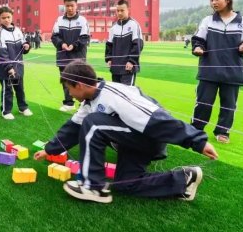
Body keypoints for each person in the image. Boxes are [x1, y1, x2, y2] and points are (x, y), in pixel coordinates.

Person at [34, 60, 218, 204]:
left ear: (80, 85)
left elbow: (155, 118)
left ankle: (94, 188)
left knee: (93, 124)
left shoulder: (114, 95)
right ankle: (184, 180)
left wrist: (198, 141)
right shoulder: (89, 102)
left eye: (68, 88)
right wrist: (50, 150)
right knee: (126, 184)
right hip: (133, 142)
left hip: (149, 136)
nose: (69, 94)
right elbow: (73, 127)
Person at [191, 0, 243, 144]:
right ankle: (195, 130)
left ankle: (222, 131)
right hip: (209, 70)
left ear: (227, 0)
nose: (213, 2)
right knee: (203, 102)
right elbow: (198, 40)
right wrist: (198, 48)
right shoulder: (208, 20)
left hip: (233, 71)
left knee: (228, 105)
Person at [51, 0, 90, 112]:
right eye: (67, 6)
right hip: (63, 56)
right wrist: (62, 44)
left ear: (76, 5)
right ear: (64, 5)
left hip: (78, 57)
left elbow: (85, 38)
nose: (70, 8)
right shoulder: (59, 20)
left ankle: (83, 104)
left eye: (72, 5)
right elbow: (54, 36)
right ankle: (68, 103)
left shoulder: (82, 20)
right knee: (66, 80)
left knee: (80, 81)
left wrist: (74, 46)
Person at [0, 6, 33, 120]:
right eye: (3, 18)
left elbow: (24, 44)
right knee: (8, 90)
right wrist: (9, 67)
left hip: (19, 66)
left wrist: (26, 46)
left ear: (12, 17)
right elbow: (1, 53)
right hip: (5, 68)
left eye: (8, 17)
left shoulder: (17, 30)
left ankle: (23, 107)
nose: (6, 19)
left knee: (20, 88)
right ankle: (6, 111)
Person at [105, 0, 143, 85]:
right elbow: (109, 45)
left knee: (127, 92)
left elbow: (138, 45)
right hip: (115, 69)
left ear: (128, 10)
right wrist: (109, 59)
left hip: (128, 68)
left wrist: (132, 61)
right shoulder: (113, 27)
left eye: (122, 10)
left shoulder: (134, 25)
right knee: (117, 92)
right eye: (118, 10)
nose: (119, 13)